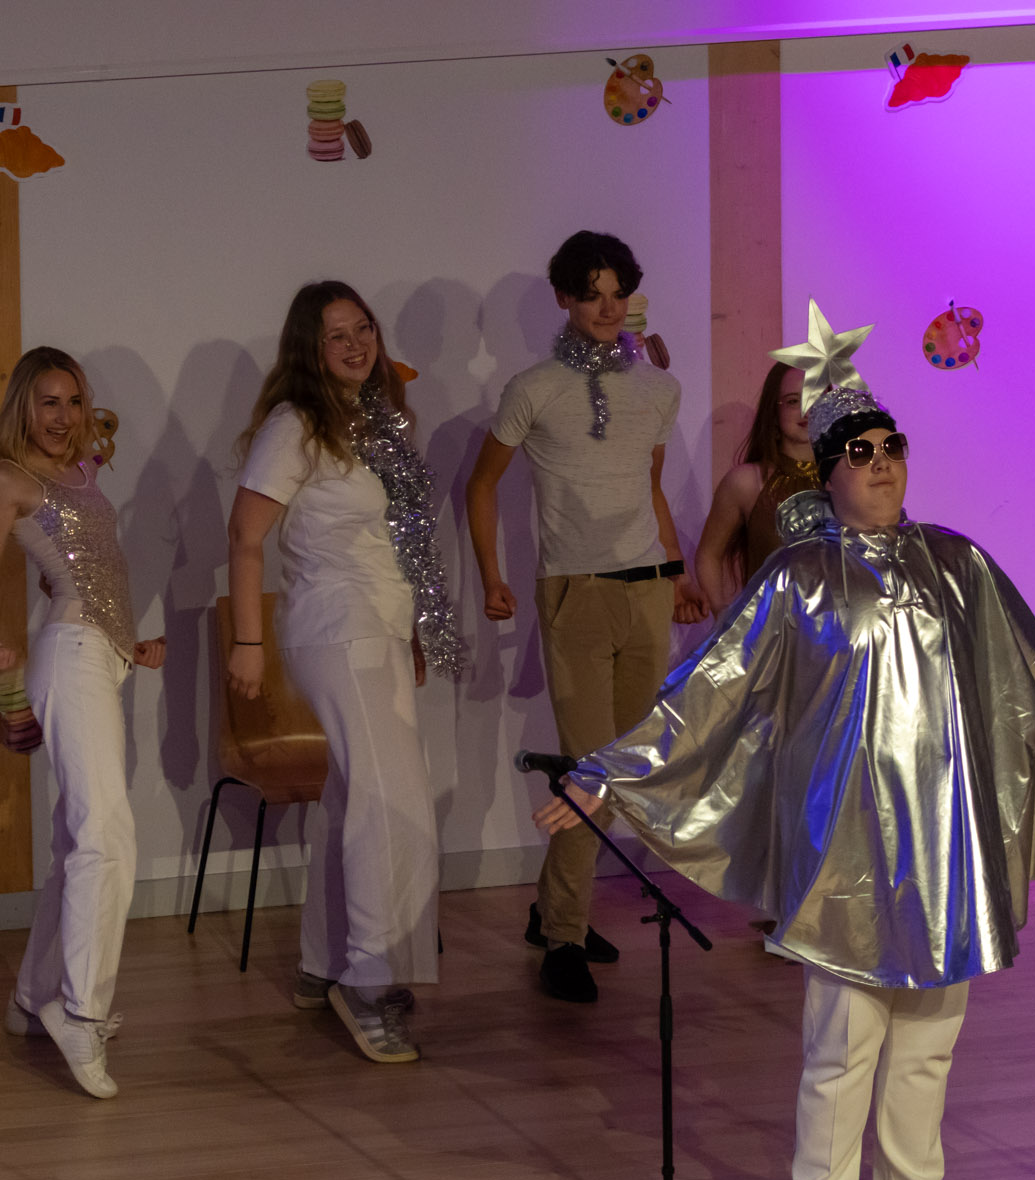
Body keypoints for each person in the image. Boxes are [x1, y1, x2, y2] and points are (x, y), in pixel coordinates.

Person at [534, 302, 1035, 1180]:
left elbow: (1033, 671)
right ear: (825, 473)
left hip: (942, 844)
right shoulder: (799, 578)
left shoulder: (959, 565)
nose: (880, 463)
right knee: (841, 1044)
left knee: (927, 1043)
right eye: (859, 452)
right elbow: (710, 687)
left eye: (891, 447)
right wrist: (607, 770)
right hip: (849, 850)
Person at [467, 230, 706, 1005]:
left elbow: (649, 487)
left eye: (618, 293)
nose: (607, 307)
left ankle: (552, 912)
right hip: (575, 590)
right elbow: (481, 484)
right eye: (592, 293)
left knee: (624, 770)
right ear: (565, 298)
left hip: (646, 589)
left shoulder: (659, 389)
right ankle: (564, 936)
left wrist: (677, 572)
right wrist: (492, 576)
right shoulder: (533, 387)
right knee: (589, 768)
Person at [228, 281, 464, 1064]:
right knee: (392, 805)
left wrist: (413, 627)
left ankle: (324, 962)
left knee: (356, 796)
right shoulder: (296, 424)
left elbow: (397, 542)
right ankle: (370, 980)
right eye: (337, 335)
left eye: (364, 328)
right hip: (336, 625)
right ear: (310, 347)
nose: (357, 344)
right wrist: (247, 641)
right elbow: (245, 535)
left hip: (379, 625)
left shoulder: (381, 420)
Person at [0, 347, 164, 1100]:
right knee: (106, 835)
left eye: (74, 401)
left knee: (77, 840)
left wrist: (131, 642)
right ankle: (81, 1011)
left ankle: (32, 998)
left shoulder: (85, 474)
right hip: (70, 655)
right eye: (48, 402)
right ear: (24, 406)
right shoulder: (8, 481)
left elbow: (96, 572)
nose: (63, 416)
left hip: (103, 656)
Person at [693, 360, 821, 613]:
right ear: (773, 411)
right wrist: (721, 614)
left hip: (841, 632)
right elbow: (708, 555)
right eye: (793, 401)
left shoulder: (848, 478)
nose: (806, 409)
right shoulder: (745, 482)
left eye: (815, 398)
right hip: (769, 631)